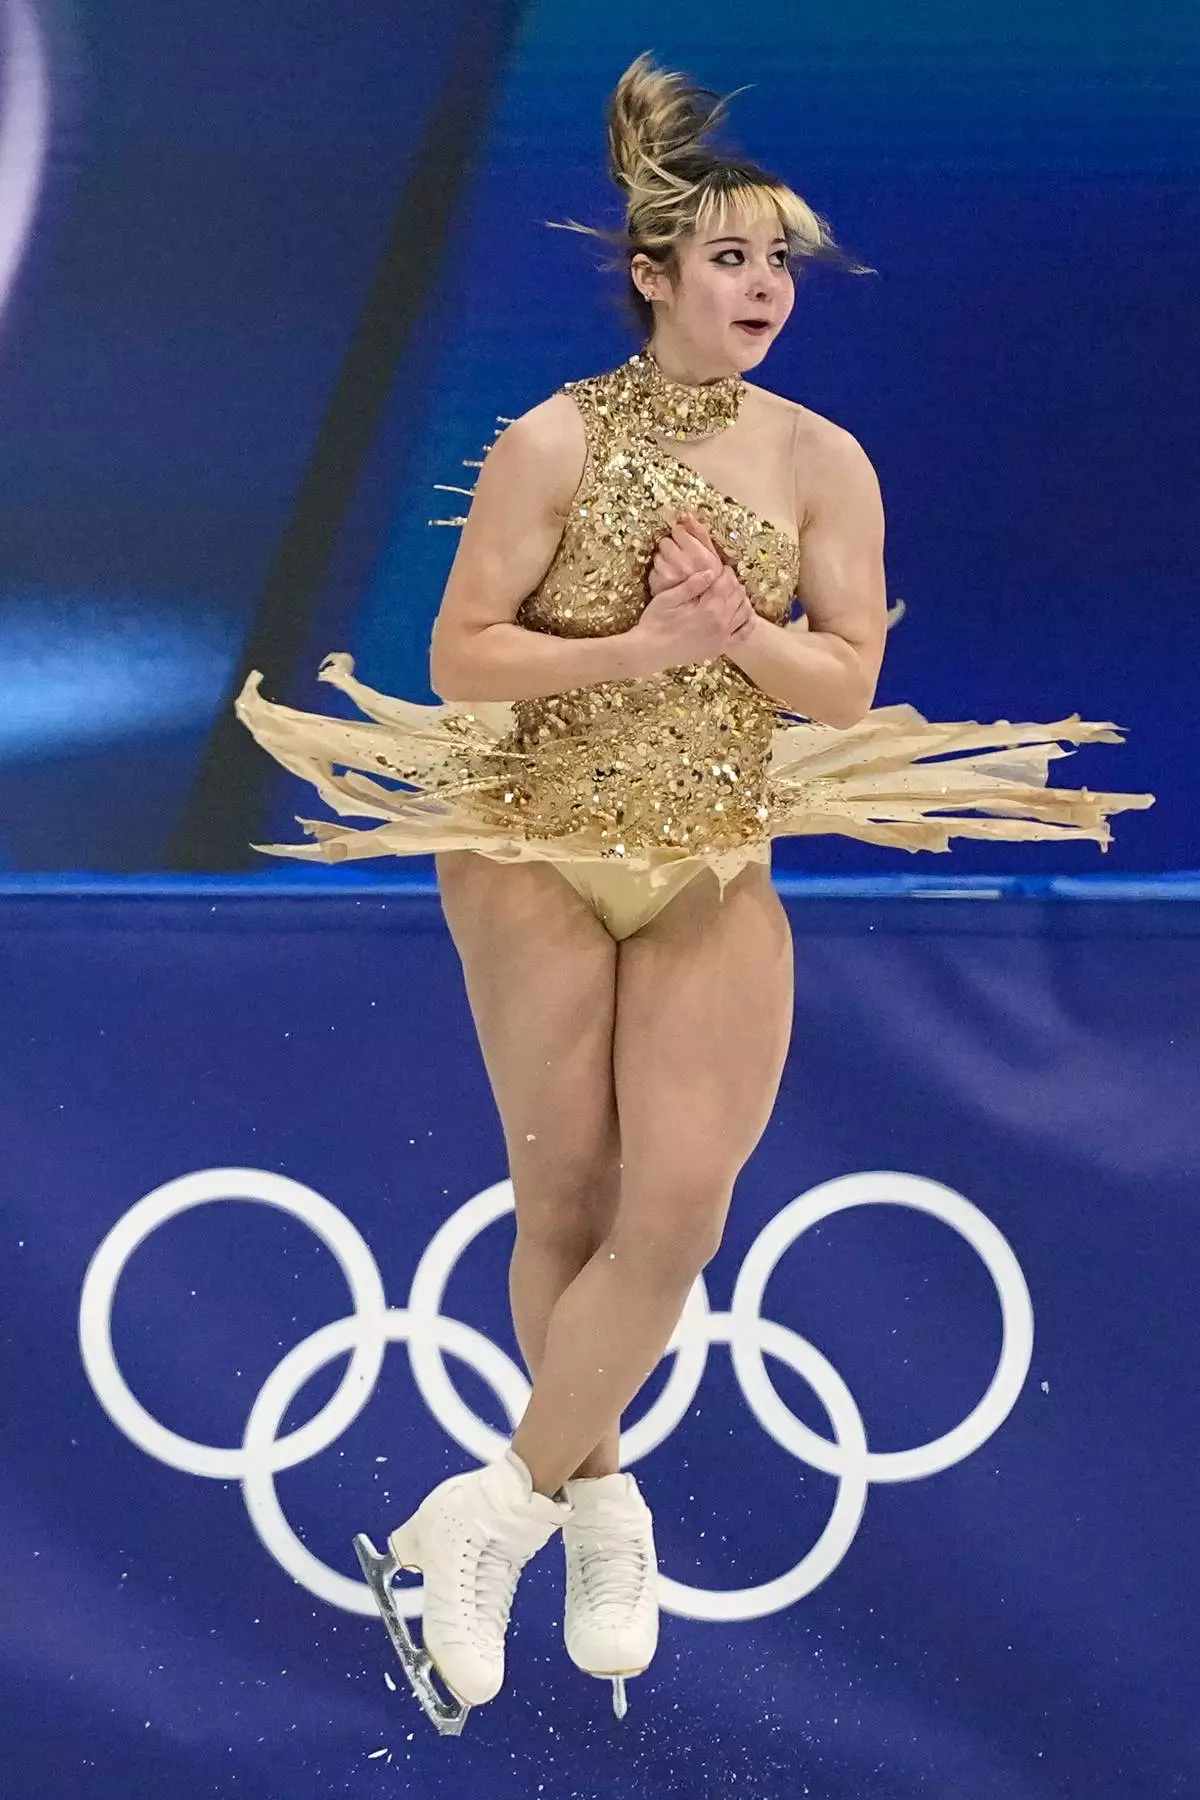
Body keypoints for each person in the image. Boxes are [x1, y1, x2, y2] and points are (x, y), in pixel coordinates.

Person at [234, 52, 1153, 1714]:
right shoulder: (549, 438)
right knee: (568, 1196)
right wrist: (650, 642)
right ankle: (602, 1511)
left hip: (713, 847)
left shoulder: (823, 462)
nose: (765, 288)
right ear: (655, 277)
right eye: (732, 258)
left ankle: (505, 1507)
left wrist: (746, 639)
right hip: (531, 841)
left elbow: (851, 684)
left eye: (782, 262)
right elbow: (459, 657)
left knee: (681, 1206)